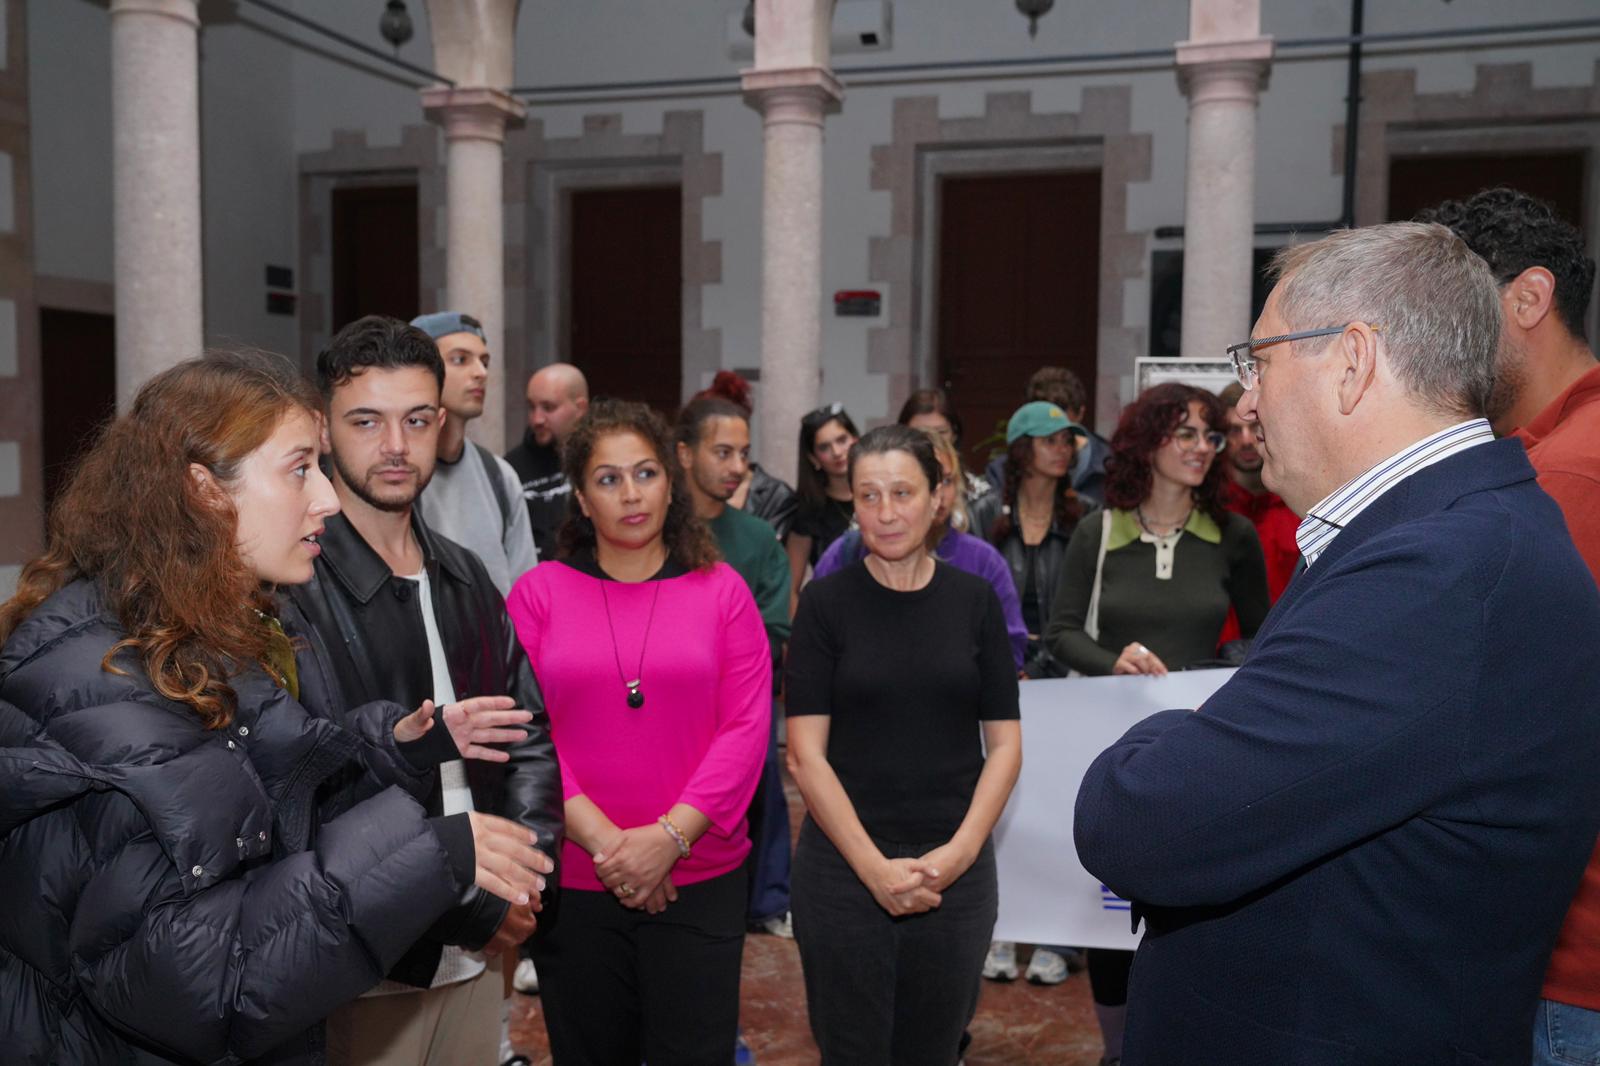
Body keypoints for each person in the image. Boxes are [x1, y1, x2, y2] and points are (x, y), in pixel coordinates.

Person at [1074, 222, 1600, 1065]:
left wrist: (1160, 735)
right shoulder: (1457, 533)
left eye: (1261, 362)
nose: (1244, 404)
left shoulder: (1437, 571)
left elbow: (1143, 824)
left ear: (1352, 361)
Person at [0, 354, 549, 1066]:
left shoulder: (198, 629)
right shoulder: (105, 680)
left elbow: (271, 779)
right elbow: (209, 984)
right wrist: (429, 851)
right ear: (205, 492)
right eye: (299, 469)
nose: (325, 497)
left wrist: (398, 745)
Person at [286, 316, 564, 1066]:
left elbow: (527, 732)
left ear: (441, 423)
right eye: (366, 422)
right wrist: (469, 904)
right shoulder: (292, 589)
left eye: (415, 420)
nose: (395, 447)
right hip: (367, 962)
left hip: (475, 957)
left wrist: (523, 878)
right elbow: (317, 790)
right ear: (323, 428)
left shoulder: (464, 573)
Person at [506, 399, 771, 1065]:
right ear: (581, 497)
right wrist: (612, 848)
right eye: (609, 479)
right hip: (575, 879)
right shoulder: (537, 595)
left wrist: (669, 838)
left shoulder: (723, 592)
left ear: (671, 482)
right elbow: (525, 734)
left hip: (701, 876)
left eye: (646, 473)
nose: (631, 494)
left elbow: (745, 728)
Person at [1421, 187, 1600, 1064]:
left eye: (1455, 311)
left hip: (1570, 951)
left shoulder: (1572, 476)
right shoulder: (1552, 455)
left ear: (1529, 299)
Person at [1047, 381, 1269, 1064]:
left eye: (1212, 435)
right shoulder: (1100, 529)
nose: (1206, 447)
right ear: (1149, 444)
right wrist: (1114, 658)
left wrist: (1216, 668)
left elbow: (1265, 640)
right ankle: (1117, 1052)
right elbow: (1058, 632)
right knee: (1114, 915)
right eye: (1188, 434)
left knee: (1191, 908)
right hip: (1116, 752)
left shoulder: (1232, 536)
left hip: (1202, 749)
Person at [785, 425, 1022, 1065]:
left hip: (955, 870)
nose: (886, 513)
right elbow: (804, 753)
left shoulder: (975, 601)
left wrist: (962, 851)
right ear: (852, 504)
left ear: (937, 496)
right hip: (842, 871)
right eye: (868, 496)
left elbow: (1004, 744)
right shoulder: (825, 605)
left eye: (901, 492)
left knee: (935, 1051)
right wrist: (872, 869)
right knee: (851, 1052)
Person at [815, 428, 1026, 671]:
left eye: (947, 480)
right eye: (871, 495)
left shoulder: (984, 563)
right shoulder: (844, 556)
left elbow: (1009, 650)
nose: (887, 513)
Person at [411, 311, 539, 596]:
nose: (481, 373)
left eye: (485, 361)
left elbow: (524, 589)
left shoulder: (499, 476)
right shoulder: (398, 474)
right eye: (460, 359)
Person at [1217, 380, 1301, 601]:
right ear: (1220, 436)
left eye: (1255, 426)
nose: (1246, 440)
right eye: (1234, 430)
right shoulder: (1208, 508)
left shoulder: (1299, 504)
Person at [987, 367, 1109, 506]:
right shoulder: (1001, 472)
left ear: (1080, 414)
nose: (1061, 449)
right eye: (1049, 438)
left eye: (1066, 437)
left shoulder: (1112, 466)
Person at [506, 362, 590, 562]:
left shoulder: (601, 459)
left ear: (580, 408)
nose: (537, 419)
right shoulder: (510, 470)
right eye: (532, 407)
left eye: (548, 407)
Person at [705, 370, 800, 539]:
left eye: (743, 452)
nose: (736, 467)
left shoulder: (776, 495)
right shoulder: (679, 492)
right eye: (722, 452)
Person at [786, 403, 860, 610]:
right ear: (813, 458)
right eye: (824, 447)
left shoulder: (881, 496)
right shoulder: (808, 511)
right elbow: (791, 588)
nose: (837, 452)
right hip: (831, 616)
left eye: (842, 440)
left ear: (856, 439)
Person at [897, 387, 1000, 534]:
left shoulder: (981, 498)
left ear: (954, 434)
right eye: (919, 434)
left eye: (941, 432)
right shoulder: (886, 497)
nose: (931, 441)